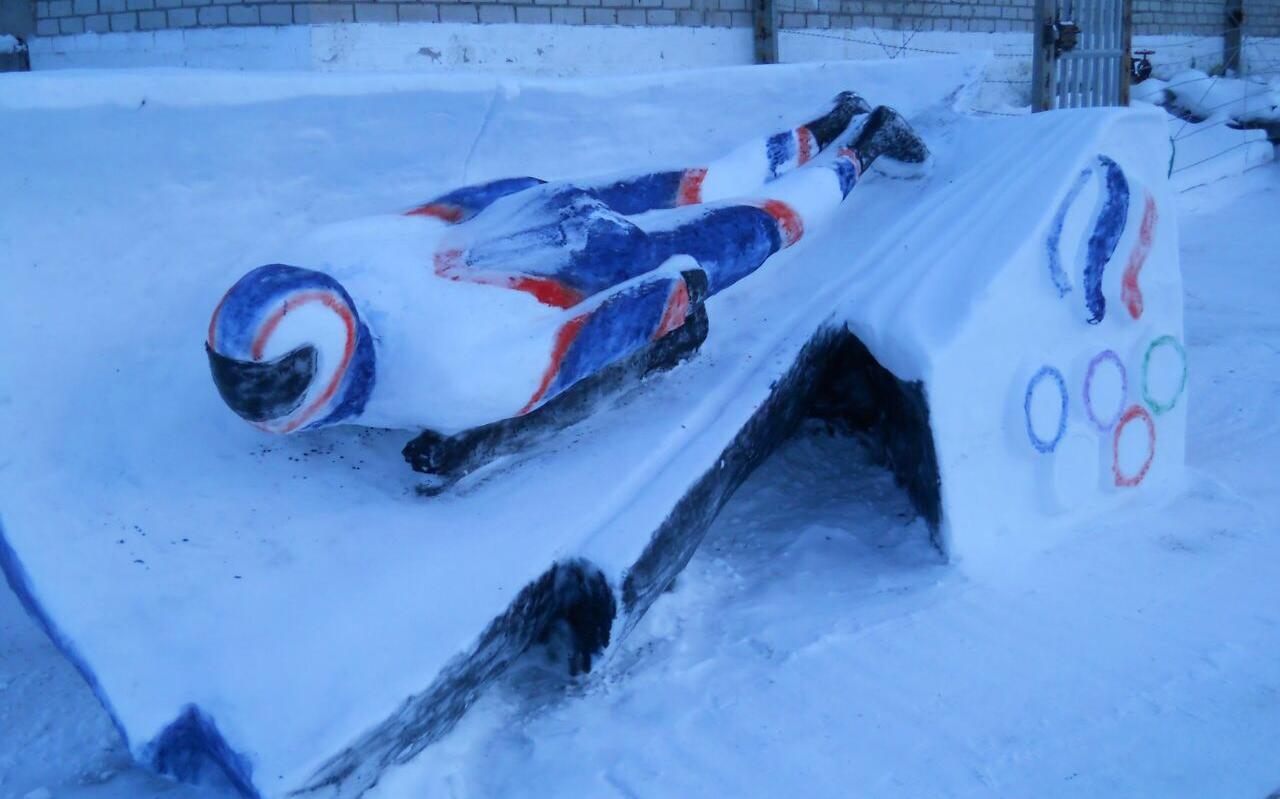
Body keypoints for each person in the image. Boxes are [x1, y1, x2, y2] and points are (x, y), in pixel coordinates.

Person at [206, 94, 930, 453]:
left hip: (593, 263)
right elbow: (447, 209)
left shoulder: (442, 381)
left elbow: (577, 344)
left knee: (759, 225)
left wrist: (670, 295)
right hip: (533, 213)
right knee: (704, 183)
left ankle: (861, 145)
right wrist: (531, 192)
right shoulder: (332, 251)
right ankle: (832, 124)